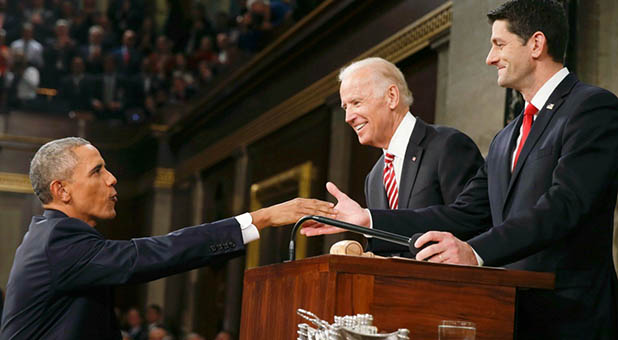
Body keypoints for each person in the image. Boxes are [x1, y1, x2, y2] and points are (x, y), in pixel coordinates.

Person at [302, 0, 618, 338]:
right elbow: (463, 215)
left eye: (499, 44)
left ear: (536, 44)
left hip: (573, 318)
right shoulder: (504, 139)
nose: (490, 58)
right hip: (510, 317)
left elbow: (564, 205)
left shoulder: (591, 108)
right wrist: (370, 220)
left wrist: (476, 251)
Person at [0, 137, 335, 340]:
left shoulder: (53, 237)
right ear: (62, 190)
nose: (112, 179)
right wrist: (261, 217)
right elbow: (158, 253)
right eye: (97, 171)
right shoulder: (59, 242)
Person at [338, 57, 483, 256]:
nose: (348, 118)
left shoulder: (448, 145)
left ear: (391, 97)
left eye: (356, 103)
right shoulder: (374, 177)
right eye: (346, 107)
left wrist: (371, 219)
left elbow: (471, 219)